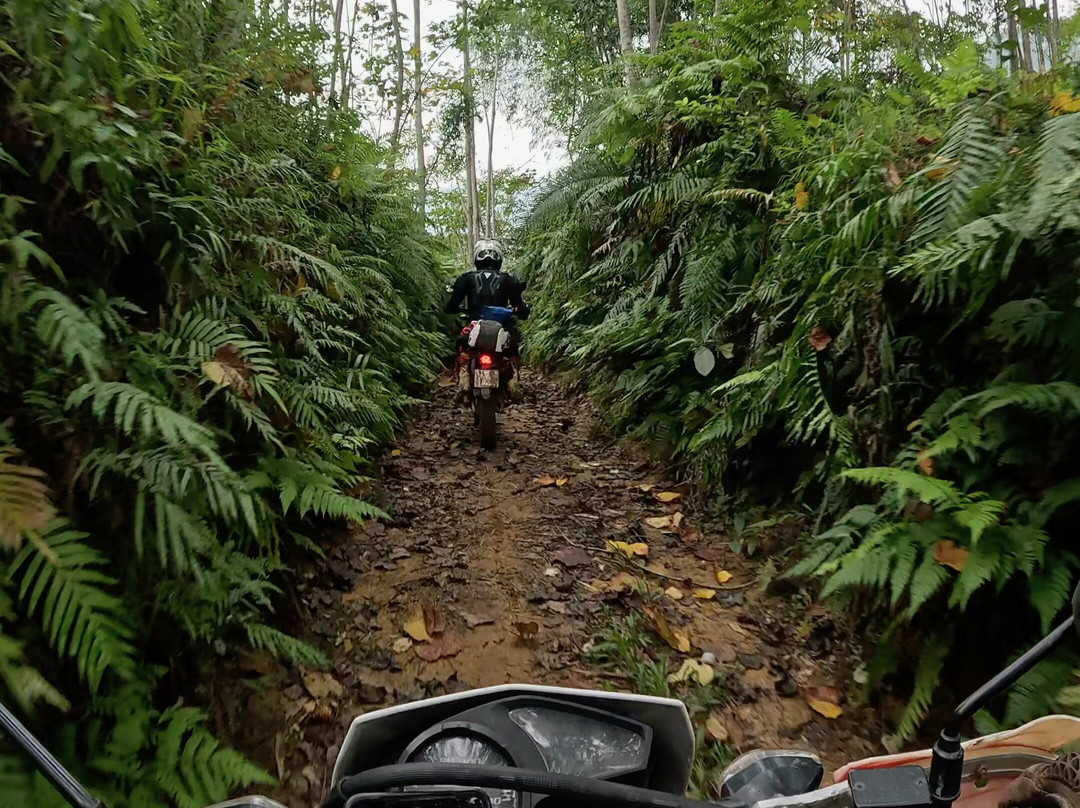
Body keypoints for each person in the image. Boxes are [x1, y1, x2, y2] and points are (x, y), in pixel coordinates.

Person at [444, 238, 530, 323]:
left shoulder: (466, 278)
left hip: (474, 325)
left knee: (461, 334)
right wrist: (521, 310)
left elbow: (451, 306)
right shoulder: (509, 279)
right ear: (499, 256)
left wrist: (458, 309)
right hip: (501, 326)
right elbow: (520, 308)